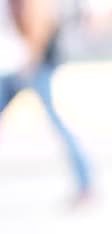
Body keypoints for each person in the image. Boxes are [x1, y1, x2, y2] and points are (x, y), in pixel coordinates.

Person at [0, 0, 91, 203]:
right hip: (12, 65)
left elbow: (40, 20)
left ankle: (85, 183)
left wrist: (32, 59)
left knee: (59, 123)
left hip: (31, 65)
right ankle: (85, 183)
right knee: (59, 122)